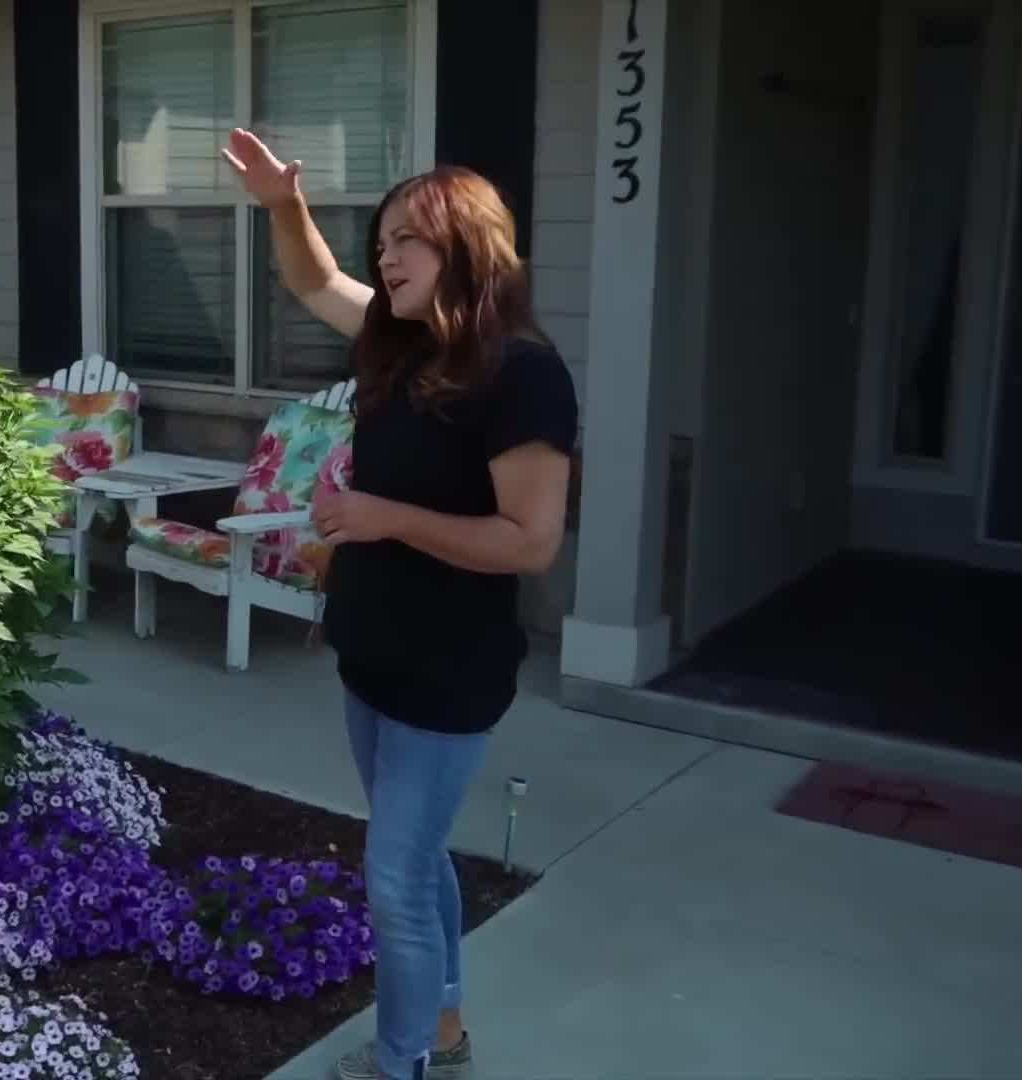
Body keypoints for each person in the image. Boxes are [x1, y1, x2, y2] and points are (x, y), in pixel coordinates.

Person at [222, 129, 578, 1080]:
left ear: (465, 247)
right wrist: (283, 207)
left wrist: (381, 515)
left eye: (407, 240)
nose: (386, 257)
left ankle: (400, 1063)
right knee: (415, 864)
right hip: (374, 655)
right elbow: (313, 282)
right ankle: (448, 1034)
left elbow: (530, 540)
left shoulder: (523, 374)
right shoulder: (401, 340)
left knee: (394, 882)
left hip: (448, 670)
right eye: (383, 241)